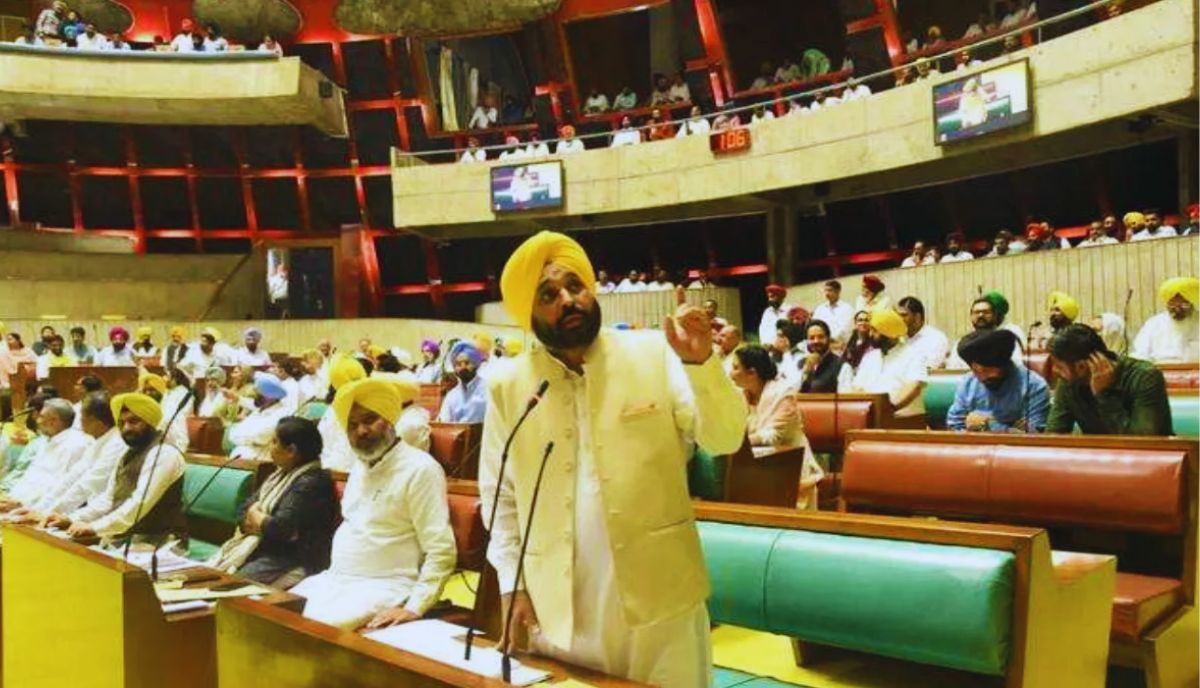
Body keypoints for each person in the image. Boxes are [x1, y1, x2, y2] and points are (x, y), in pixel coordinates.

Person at [483, 230, 746, 685]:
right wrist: (512, 584)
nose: (568, 300)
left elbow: (724, 439)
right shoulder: (508, 385)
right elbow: (500, 497)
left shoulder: (654, 353)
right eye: (548, 294)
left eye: (575, 286)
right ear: (529, 314)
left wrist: (703, 366)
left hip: (661, 601)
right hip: (558, 608)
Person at [291, 379, 456, 630]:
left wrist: (415, 607)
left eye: (369, 420)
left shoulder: (421, 469)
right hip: (335, 581)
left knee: (308, 630)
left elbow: (441, 549)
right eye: (352, 425)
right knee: (274, 612)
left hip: (385, 586)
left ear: (389, 419)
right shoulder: (360, 466)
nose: (361, 431)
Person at [209, 417, 338, 588]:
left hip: (291, 558)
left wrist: (255, 516)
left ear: (291, 450)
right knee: (210, 576)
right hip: (262, 548)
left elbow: (281, 528)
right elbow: (243, 510)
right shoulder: (278, 475)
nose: (270, 447)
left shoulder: (313, 482)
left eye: (275, 442)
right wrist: (258, 522)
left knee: (226, 586)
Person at [46, 393, 187, 543]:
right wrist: (71, 518)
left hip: (159, 543)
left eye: (134, 421)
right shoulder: (127, 454)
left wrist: (95, 527)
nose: (127, 428)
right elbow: (108, 500)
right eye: (121, 423)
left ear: (150, 422)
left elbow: (139, 505)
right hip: (123, 538)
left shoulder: (164, 453)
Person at [730, 345, 823, 509]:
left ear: (752, 372)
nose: (731, 373)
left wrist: (740, 441)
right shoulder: (740, 394)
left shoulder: (783, 393)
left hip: (790, 466)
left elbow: (775, 435)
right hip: (755, 468)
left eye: (736, 368)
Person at [14, 392, 124, 522]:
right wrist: (38, 510)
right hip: (88, 513)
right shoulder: (97, 441)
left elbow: (86, 485)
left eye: (82, 416)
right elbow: (71, 478)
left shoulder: (115, 444)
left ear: (96, 421)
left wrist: (47, 514)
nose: (79, 421)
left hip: (106, 518)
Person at [1046, 325, 1171, 435]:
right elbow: (1054, 435)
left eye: (1059, 367)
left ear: (1081, 367)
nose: (1054, 371)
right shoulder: (1069, 382)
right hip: (1097, 454)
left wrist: (1104, 395)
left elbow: (1142, 441)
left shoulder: (1145, 376)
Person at [946, 329, 1049, 433]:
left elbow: (1033, 435)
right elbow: (954, 424)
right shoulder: (968, 383)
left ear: (1003, 364)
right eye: (975, 370)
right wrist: (1011, 430)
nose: (982, 377)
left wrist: (988, 424)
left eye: (986, 370)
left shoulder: (1034, 386)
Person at [0, 399, 91, 509]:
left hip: (38, 509)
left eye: (41, 416)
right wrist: (10, 498)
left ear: (53, 421)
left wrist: (21, 504)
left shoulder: (76, 445)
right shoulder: (46, 441)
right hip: (17, 502)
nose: (37, 421)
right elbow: (30, 477)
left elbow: (59, 488)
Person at [850, 309, 928, 419]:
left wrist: (888, 410)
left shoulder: (913, 354)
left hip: (904, 418)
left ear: (888, 334)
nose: (870, 334)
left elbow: (914, 387)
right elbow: (857, 388)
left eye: (875, 331)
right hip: (871, 417)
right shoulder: (869, 357)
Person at [1131, 277, 1199, 362]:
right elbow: (1140, 354)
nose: (1177, 309)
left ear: (1192, 302)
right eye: (1172, 304)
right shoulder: (1154, 324)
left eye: (1183, 304)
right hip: (1160, 368)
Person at [229, 374, 292, 461]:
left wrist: (243, 437)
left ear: (269, 396)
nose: (254, 395)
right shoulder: (259, 410)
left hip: (260, 461)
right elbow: (233, 435)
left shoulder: (282, 413)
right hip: (237, 458)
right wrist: (250, 439)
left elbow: (262, 437)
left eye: (258, 393)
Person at [436, 341, 487, 423]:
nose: (463, 368)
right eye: (458, 364)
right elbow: (443, 422)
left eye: (467, 363)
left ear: (476, 364)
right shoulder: (452, 395)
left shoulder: (487, 390)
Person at [798, 320, 852, 393]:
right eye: (812, 338)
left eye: (820, 337)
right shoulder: (800, 364)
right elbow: (791, 393)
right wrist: (806, 371)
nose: (816, 341)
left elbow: (845, 398)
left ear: (828, 339)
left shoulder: (842, 367)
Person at [897, 297, 949, 370]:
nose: (899, 319)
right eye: (898, 315)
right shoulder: (897, 339)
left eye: (904, 315)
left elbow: (929, 370)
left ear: (917, 317)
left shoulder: (936, 338)